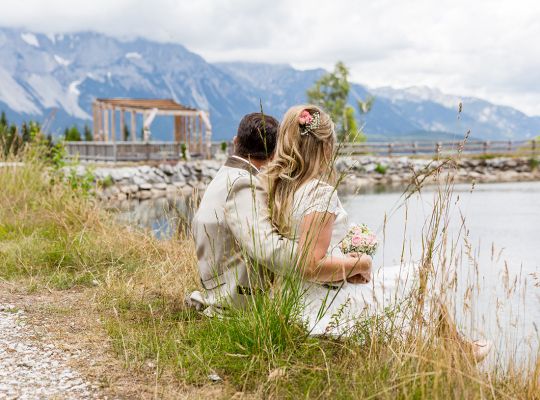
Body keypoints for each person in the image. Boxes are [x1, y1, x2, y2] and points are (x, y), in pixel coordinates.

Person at [247, 104, 491, 360]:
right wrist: (360, 263)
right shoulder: (318, 192)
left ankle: (451, 350)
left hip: (287, 296)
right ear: (326, 147)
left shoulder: (274, 186)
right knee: (418, 276)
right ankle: (458, 352)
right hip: (320, 303)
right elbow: (311, 265)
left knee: (405, 280)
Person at [187, 112, 372, 315]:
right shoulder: (243, 184)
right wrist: (337, 266)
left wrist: (340, 268)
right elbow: (268, 248)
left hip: (224, 287)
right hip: (237, 300)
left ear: (235, 142)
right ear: (275, 152)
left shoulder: (226, 177)